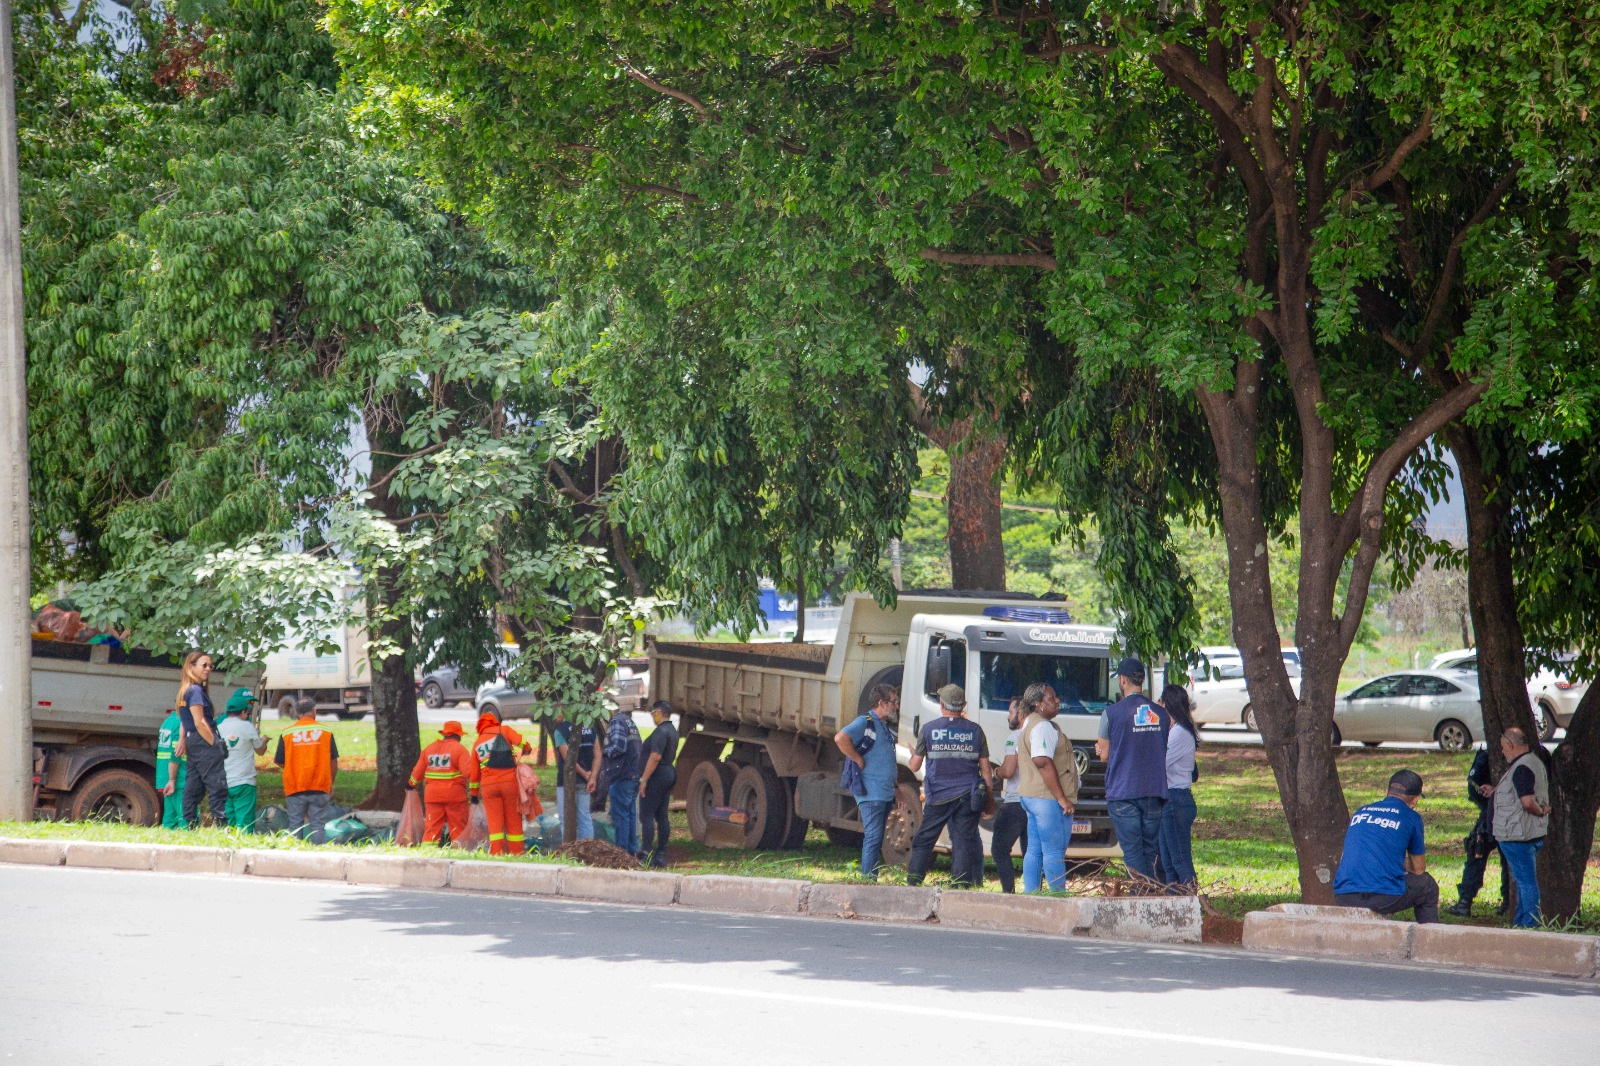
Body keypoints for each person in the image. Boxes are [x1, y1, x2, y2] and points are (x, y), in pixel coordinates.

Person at [906, 683, 992, 889]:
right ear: (963, 705)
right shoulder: (976, 731)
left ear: (942, 704)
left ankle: (913, 881)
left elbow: (915, 765)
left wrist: (912, 755)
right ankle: (960, 884)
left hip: (938, 795)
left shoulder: (928, 729)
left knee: (925, 838)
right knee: (962, 842)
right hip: (967, 796)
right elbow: (986, 770)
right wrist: (989, 803)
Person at [1095, 657, 1170, 882]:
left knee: (1133, 850)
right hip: (1154, 790)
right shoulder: (1162, 714)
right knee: (1149, 849)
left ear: (1123, 680)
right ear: (1143, 680)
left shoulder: (1111, 713)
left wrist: (1100, 751)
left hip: (1123, 791)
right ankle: (1150, 892)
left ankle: (1140, 894)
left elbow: (1106, 755)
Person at [1332, 769, 1439, 923]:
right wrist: (1396, 861)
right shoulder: (1411, 817)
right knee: (1428, 886)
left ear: (1387, 791)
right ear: (1415, 800)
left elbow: (1345, 856)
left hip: (1344, 894)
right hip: (1382, 897)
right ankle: (1431, 939)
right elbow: (1418, 868)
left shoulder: (1360, 812)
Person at [1015, 682, 1079, 893]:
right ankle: (1058, 896)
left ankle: (1031, 894)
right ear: (1038, 704)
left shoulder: (1029, 724)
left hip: (1032, 796)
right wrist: (1062, 798)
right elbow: (1042, 761)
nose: (1057, 700)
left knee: (1034, 850)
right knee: (1053, 850)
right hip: (1047, 798)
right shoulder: (1041, 726)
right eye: (1052, 698)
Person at [834, 683, 901, 879]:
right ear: (881, 703)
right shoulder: (865, 722)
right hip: (872, 792)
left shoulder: (883, 726)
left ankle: (870, 878)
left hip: (884, 791)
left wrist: (897, 789)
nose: (896, 706)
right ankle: (868, 880)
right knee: (873, 836)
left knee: (877, 836)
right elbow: (840, 738)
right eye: (894, 701)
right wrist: (857, 758)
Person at [1492, 727, 1550, 928]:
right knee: (1523, 881)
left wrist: (1540, 811)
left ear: (1510, 744)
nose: (1502, 752)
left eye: (1502, 748)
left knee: (1526, 882)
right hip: (1529, 834)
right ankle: (1520, 923)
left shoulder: (1522, 767)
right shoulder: (1533, 762)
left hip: (1518, 836)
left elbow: (1527, 802)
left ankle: (1530, 924)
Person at [1445, 747, 1510, 918]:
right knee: (1480, 851)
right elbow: (1474, 785)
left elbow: (1473, 786)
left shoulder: (1488, 755)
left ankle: (1465, 902)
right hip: (1499, 816)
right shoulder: (1493, 756)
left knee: (1481, 854)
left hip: (1498, 816)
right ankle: (1505, 902)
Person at [274, 697, 339, 844]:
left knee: (295, 825)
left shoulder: (287, 733)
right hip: (320, 785)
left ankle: (296, 857)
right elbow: (333, 761)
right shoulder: (326, 732)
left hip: (295, 786)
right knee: (317, 825)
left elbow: (279, 761)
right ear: (314, 711)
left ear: (297, 713)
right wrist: (330, 783)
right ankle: (318, 856)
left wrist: (293, 768)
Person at [177, 650, 230, 829]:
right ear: (191, 667)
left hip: (194, 743)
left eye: (210, 666)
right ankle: (221, 827)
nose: (208, 669)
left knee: (193, 786)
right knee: (217, 785)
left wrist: (182, 739)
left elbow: (186, 720)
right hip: (203, 741)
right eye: (204, 665)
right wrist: (214, 743)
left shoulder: (186, 690)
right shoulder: (195, 691)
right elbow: (199, 722)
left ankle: (190, 826)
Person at [408, 720, 479, 845]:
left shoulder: (429, 749)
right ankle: (459, 852)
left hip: (432, 797)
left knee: (432, 828)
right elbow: (469, 773)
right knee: (458, 827)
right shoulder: (459, 750)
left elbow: (417, 773)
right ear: (457, 735)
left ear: (445, 734)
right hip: (455, 797)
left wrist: (410, 785)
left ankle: (428, 851)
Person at [1157, 684, 1199, 891]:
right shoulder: (1175, 731)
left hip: (1177, 800)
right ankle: (1175, 906)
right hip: (1170, 800)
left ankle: (1192, 904)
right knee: (1168, 862)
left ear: (1167, 705)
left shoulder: (1179, 733)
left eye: (1160, 703)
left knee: (1180, 861)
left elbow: (1159, 762)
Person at [472, 708, 531, 855]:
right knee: (514, 821)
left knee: (495, 824)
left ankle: (497, 854)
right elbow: (523, 742)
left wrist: (473, 794)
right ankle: (516, 854)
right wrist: (527, 748)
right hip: (509, 783)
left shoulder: (477, 743)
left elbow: (474, 774)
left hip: (489, 787)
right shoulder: (504, 730)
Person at [990, 696, 1030, 893]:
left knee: (999, 849)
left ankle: (1009, 893)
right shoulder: (1037, 733)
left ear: (1020, 714)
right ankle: (1034, 893)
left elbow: (1009, 770)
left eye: (1010, 712)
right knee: (1030, 853)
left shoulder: (1014, 737)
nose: (1008, 717)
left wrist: (995, 772)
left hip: (1015, 801)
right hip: (1034, 802)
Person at [216, 688, 267, 830]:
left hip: (224, 781)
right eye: (248, 705)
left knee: (228, 822)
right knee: (245, 822)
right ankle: (244, 848)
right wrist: (263, 740)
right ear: (243, 711)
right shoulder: (247, 726)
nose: (250, 708)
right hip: (244, 781)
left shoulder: (218, 727)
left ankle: (227, 848)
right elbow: (260, 749)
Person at [638, 701, 680, 868]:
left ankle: (646, 853)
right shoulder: (672, 730)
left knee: (647, 815)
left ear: (660, 712)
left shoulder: (661, 731)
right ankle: (661, 854)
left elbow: (655, 756)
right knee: (662, 815)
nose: (652, 716)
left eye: (653, 712)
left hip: (657, 775)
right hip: (668, 773)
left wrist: (644, 779)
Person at [603, 703, 644, 857]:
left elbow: (619, 747)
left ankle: (621, 853)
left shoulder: (616, 722)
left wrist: (605, 751)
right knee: (630, 814)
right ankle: (632, 850)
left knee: (620, 815)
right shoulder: (629, 721)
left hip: (622, 775)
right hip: (633, 774)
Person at [155, 704, 187, 830]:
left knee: (170, 821)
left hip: (166, 777)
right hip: (179, 779)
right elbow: (176, 754)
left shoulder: (168, 721)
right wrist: (172, 780)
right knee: (187, 821)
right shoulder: (181, 724)